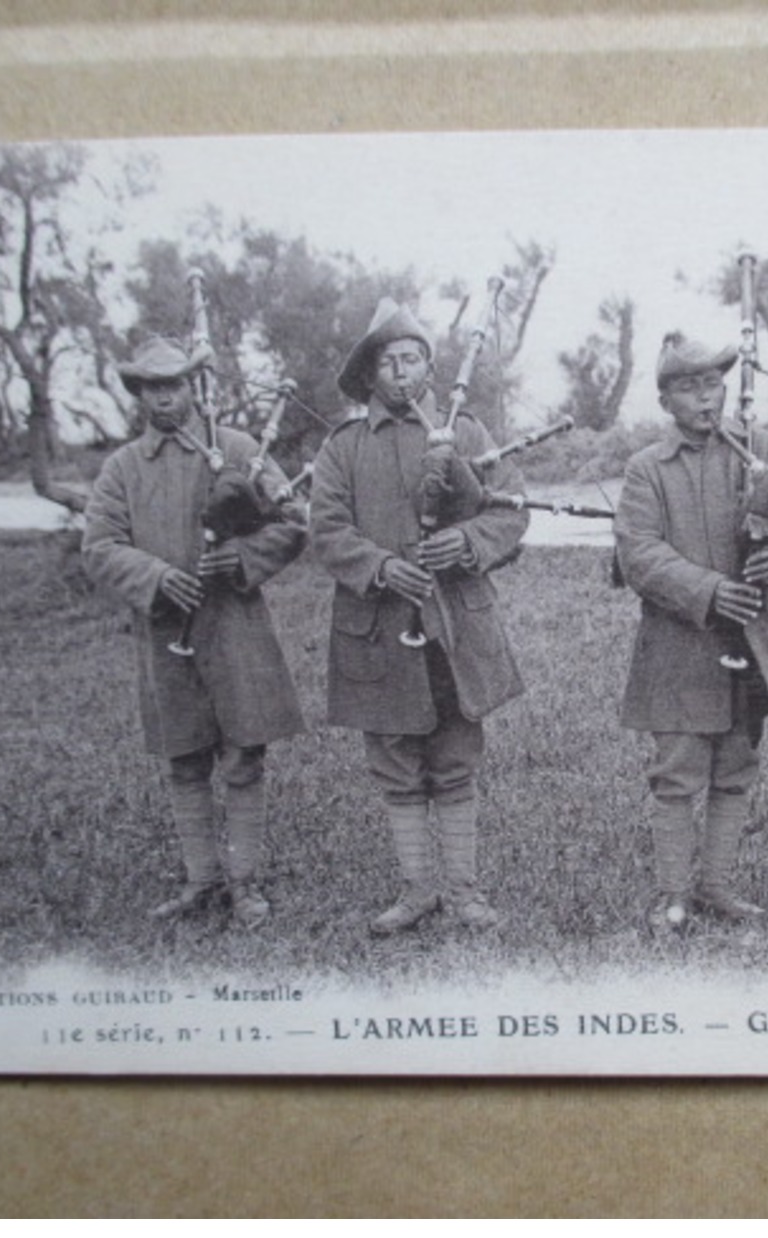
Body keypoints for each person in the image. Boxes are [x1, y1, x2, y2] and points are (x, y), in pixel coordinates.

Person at [311, 298, 529, 934]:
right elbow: (326, 529)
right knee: (396, 761)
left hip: (455, 625)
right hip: (378, 628)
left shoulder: (468, 434)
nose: (402, 373)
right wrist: (379, 566)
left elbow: (509, 513)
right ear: (370, 374)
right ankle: (417, 891)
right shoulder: (345, 447)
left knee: (456, 754)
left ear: (430, 368)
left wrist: (467, 544)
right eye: (389, 362)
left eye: (413, 359)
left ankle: (464, 893)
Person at [83, 337, 308, 928]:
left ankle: (245, 883)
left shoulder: (235, 449)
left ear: (193, 386)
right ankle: (200, 880)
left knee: (243, 756)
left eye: (175, 384)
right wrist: (155, 578)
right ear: (139, 394)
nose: (164, 398)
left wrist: (243, 559)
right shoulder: (123, 468)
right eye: (152, 387)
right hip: (166, 634)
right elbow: (100, 546)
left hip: (234, 626)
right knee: (184, 758)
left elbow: (292, 519)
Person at [615, 333, 768, 929]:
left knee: (737, 762)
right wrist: (708, 591)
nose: (704, 398)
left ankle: (716, 886)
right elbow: (639, 552)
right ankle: (671, 893)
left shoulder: (765, 451)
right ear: (665, 402)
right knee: (678, 768)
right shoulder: (647, 470)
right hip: (679, 646)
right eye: (688, 388)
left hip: (752, 641)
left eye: (712, 383)